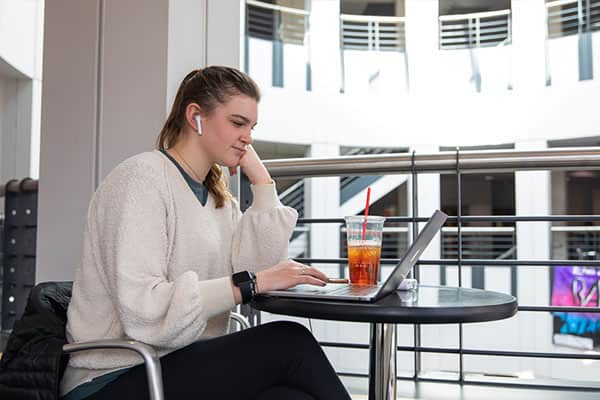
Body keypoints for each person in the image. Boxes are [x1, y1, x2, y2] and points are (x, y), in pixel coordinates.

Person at [60, 66, 352, 400]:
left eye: (252, 127)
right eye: (238, 123)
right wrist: (252, 282)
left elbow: (257, 268)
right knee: (290, 341)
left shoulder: (217, 198)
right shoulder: (141, 180)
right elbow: (143, 310)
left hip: (180, 366)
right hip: (113, 378)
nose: (249, 137)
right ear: (196, 116)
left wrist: (262, 181)